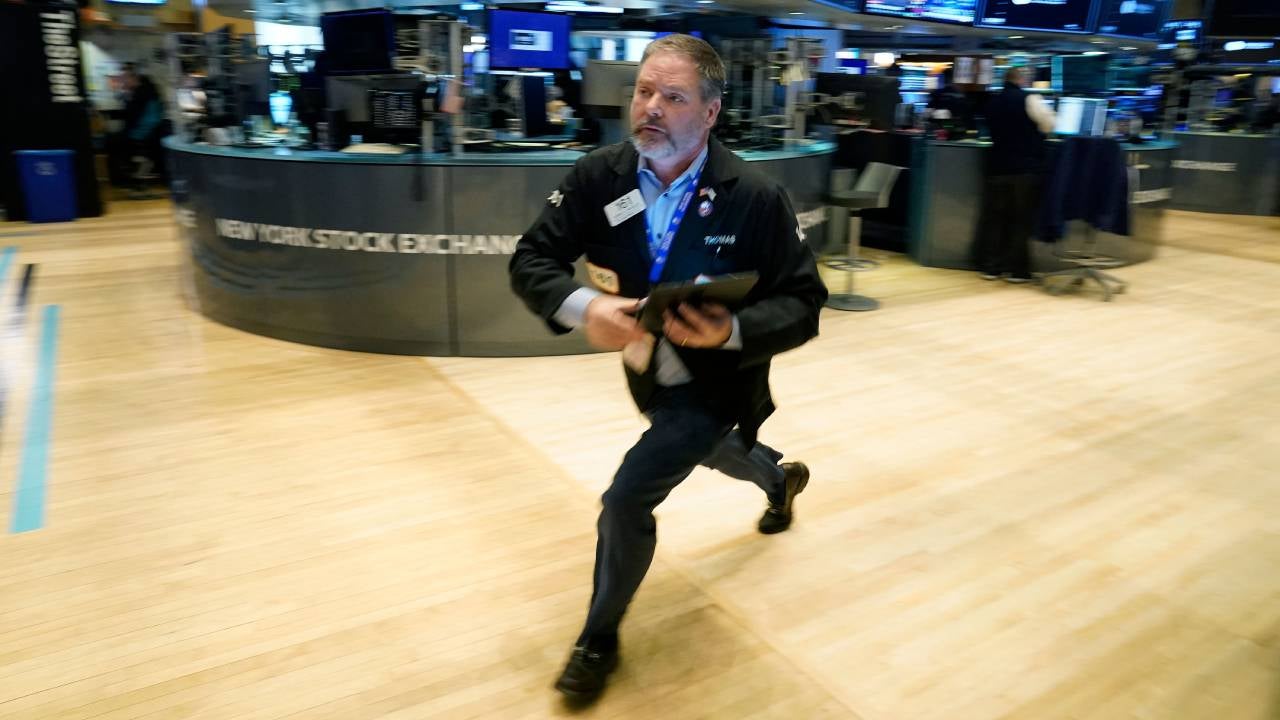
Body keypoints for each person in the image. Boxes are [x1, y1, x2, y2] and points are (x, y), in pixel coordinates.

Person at [508, 34, 827, 701]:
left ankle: (598, 637)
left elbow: (803, 301)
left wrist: (733, 329)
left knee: (627, 498)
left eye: (673, 96)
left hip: (719, 381)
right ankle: (781, 478)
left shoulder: (754, 196)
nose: (650, 107)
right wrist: (585, 305)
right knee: (709, 450)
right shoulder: (601, 177)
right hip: (646, 371)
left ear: (710, 112)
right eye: (644, 90)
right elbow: (532, 258)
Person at [973, 66, 1055, 283]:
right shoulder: (1030, 99)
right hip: (1025, 169)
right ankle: (1017, 271)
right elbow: (1049, 125)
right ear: (1021, 79)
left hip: (997, 167)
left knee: (995, 219)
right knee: (1021, 220)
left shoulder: (992, 102)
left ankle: (991, 268)